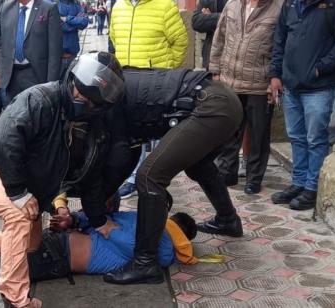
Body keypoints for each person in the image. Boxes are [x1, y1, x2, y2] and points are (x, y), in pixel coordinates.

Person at [0, 52, 125, 307]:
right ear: (71, 80)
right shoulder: (40, 98)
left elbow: (92, 178)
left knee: (32, 246)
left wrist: (99, 221)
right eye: (79, 94)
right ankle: (14, 297)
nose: (81, 101)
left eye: (89, 101)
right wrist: (18, 192)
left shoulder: (95, 129)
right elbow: (3, 140)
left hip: (30, 191)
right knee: (17, 217)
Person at [102, 67, 243, 285]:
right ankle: (228, 220)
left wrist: (104, 195)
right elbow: (128, 152)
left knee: (149, 176)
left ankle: (145, 263)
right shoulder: (115, 85)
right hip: (223, 100)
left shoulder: (109, 101)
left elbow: (121, 156)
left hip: (211, 105)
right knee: (198, 165)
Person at [0, 210, 198, 308]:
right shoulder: (164, 243)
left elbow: (100, 219)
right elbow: (126, 243)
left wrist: (86, 222)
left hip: (60, 243)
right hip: (61, 257)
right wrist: (104, 228)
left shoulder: (143, 218)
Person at [268, 0, 335, 210]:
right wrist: (276, 74)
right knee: (296, 136)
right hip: (291, 84)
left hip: (319, 86)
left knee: (315, 139)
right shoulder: (291, 4)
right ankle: (299, 182)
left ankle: (312, 188)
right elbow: (280, 39)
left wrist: (319, 69)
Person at [110, 0, 189, 199]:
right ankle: (131, 179)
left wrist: (167, 71)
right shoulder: (119, 6)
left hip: (155, 84)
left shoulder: (165, 6)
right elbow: (114, 40)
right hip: (126, 82)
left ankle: (152, 179)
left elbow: (180, 42)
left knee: (155, 135)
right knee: (130, 134)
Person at [209, 0, 284, 194]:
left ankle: (254, 178)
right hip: (230, 81)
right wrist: (216, 71)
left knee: (258, 135)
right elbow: (219, 38)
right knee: (229, 132)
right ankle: (227, 173)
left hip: (259, 84)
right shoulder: (232, 5)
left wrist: (273, 80)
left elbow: (280, 46)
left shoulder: (278, 8)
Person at [0, 0, 63, 101]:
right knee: (14, 115)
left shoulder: (49, 8)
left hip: (36, 75)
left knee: (36, 114)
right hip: (11, 76)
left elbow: (55, 52)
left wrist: (50, 85)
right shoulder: (6, 7)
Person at [191, 0, 227, 70]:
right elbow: (195, 21)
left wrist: (210, 17)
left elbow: (237, 20)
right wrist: (219, 18)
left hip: (230, 59)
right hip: (210, 59)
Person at [58, 0, 89, 77]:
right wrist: (75, 22)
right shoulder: (53, 4)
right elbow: (60, 26)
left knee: (71, 84)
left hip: (73, 56)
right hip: (56, 58)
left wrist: (66, 18)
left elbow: (84, 22)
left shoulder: (77, 6)